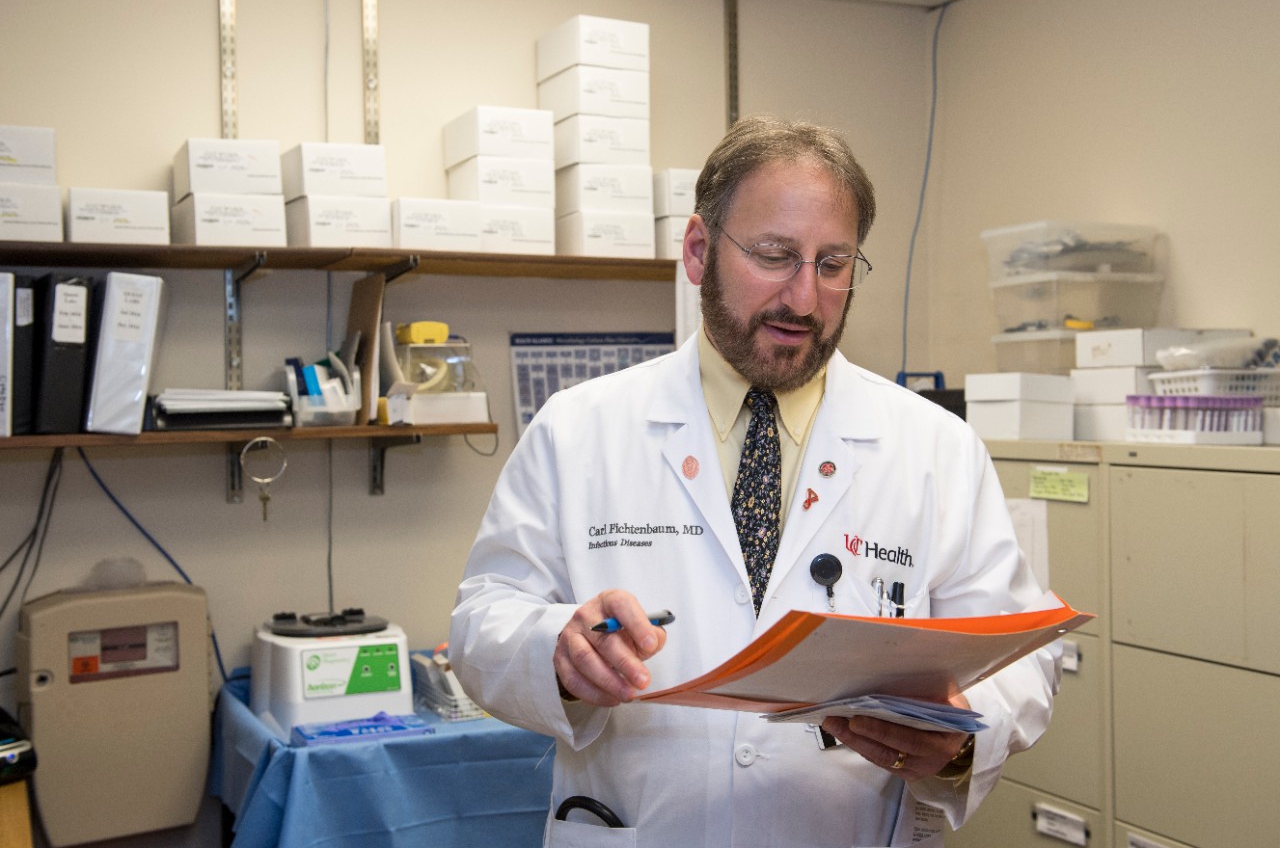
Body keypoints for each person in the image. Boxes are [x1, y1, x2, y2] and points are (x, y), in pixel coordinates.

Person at [449, 114, 1059, 847]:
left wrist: (961, 739)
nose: (804, 299)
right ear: (700, 250)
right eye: (775, 256)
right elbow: (480, 622)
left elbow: (1020, 657)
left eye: (833, 264)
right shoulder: (579, 428)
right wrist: (559, 648)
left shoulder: (935, 447)